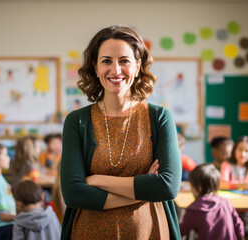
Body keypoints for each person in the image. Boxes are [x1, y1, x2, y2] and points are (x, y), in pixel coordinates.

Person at [61, 25, 181, 239]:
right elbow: (73, 194)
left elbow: (166, 188)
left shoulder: (160, 117)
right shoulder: (77, 121)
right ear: (96, 68)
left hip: (149, 232)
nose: (115, 70)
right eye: (106, 60)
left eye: (124, 60)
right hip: (89, 233)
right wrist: (144, 187)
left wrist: (97, 179)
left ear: (137, 66)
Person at [179, 163, 244, 240]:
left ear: (199, 188)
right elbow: (240, 229)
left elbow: (180, 231)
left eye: (192, 186)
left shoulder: (194, 209)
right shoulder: (226, 203)